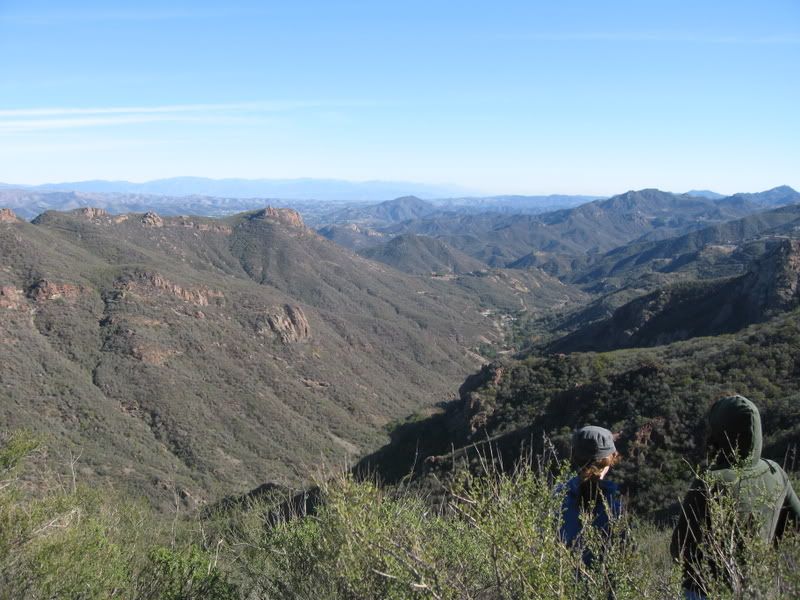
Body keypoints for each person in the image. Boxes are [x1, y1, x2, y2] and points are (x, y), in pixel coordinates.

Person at [671, 394, 800, 598]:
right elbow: (794, 526)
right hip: (759, 587)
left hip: (708, 590)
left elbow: (680, 549)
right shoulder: (775, 472)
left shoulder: (709, 482)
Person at [559, 425, 623, 565]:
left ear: (574, 457)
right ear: (610, 460)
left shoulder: (557, 496)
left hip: (558, 584)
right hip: (603, 584)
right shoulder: (615, 510)